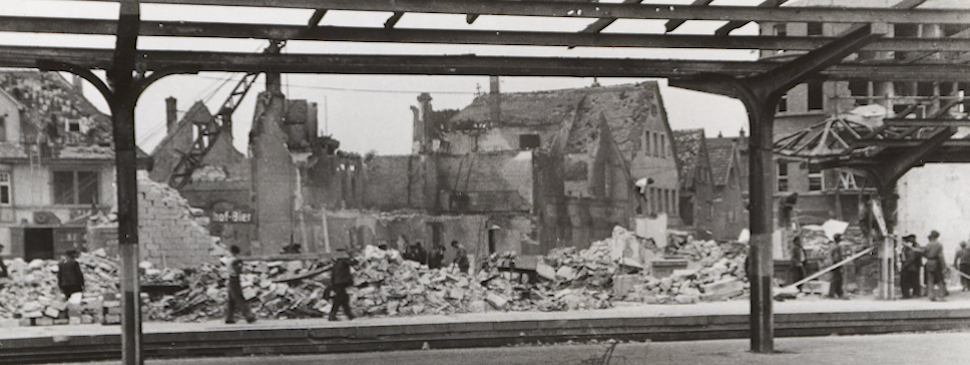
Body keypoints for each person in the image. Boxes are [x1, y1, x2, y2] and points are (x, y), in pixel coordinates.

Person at [224, 245, 256, 324]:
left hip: (230, 279)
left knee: (231, 300)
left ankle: (229, 317)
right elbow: (238, 270)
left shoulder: (228, 260)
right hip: (235, 280)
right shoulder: (236, 261)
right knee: (239, 298)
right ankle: (249, 317)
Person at [327, 249, 357, 321]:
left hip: (337, 283)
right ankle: (333, 315)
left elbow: (333, 275)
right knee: (340, 299)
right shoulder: (344, 261)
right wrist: (353, 257)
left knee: (343, 299)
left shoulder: (336, 263)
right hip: (341, 283)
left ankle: (349, 315)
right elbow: (354, 262)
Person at [924, 230, 947, 301]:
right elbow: (940, 256)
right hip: (936, 263)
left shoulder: (928, 245)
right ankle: (941, 296)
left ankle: (931, 296)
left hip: (929, 262)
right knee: (940, 279)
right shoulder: (938, 244)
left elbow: (924, 253)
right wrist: (944, 266)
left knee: (930, 280)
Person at [900, 234, 923, 298]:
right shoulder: (907, 247)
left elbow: (911, 258)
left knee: (911, 280)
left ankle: (912, 294)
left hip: (912, 266)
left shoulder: (913, 247)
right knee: (911, 280)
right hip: (909, 265)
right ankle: (911, 293)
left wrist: (904, 265)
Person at [827, 235, 846, 299]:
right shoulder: (836, 246)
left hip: (836, 263)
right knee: (835, 279)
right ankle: (832, 293)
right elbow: (836, 256)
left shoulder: (834, 246)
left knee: (838, 279)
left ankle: (838, 292)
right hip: (835, 264)